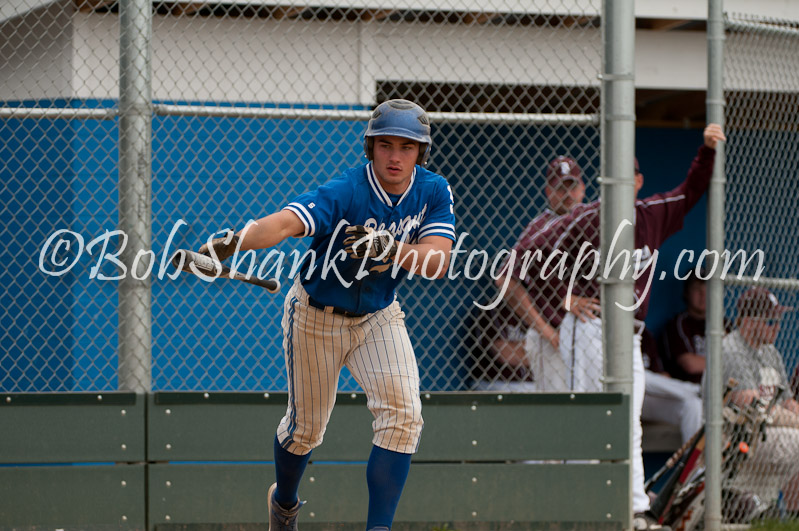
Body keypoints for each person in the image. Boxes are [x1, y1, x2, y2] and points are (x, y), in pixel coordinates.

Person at [198, 99, 456, 531]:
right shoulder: (347, 189)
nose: (395, 156)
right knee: (305, 432)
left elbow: (437, 261)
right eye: (385, 145)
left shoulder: (432, 190)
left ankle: (379, 528)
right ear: (370, 147)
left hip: (379, 315)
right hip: (317, 316)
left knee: (404, 417)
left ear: (420, 153)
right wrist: (236, 240)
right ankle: (284, 504)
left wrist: (391, 249)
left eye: (407, 147)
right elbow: (285, 223)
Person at [520, 123, 726, 530]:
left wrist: (706, 152)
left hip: (629, 333)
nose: (622, 185)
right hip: (592, 329)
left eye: (628, 178)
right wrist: (564, 297)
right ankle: (582, 504)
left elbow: (692, 189)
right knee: (588, 416)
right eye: (613, 179)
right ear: (605, 184)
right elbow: (528, 255)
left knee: (628, 418)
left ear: (637, 181)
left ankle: (631, 510)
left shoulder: (652, 213)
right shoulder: (587, 216)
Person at [498, 156, 586, 391]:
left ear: (583, 188)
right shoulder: (541, 228)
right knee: (559, 417)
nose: (568, 194)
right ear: (549, 191)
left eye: (573, 186)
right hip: (555, 337)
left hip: (590, 336)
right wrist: (545, 330)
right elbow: (504, 278)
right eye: (560, 188)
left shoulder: (594, 221)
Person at [720, 287, 799, 510]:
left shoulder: (770, 352)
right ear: (750, 321)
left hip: (766, 433)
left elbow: (787, 401)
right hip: (735, 437)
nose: (778, 328)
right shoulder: (732, 350)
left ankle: (792, 520)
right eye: (771, 322)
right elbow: (756, 408)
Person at [640, 326, 703, 445]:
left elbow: (661, 375)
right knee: (639, 375)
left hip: (649, 396)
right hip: (626, 399)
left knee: (693, 404)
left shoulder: (643, 333)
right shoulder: (604, 332)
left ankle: (694, 462)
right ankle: (697, 390)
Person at [467, 298, 534, 392]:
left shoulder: (543, 311)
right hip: (499, 383)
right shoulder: (491, 309)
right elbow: (507, 355)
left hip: (535, 383)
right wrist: (539, 350)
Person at [662, 270, 710, 383]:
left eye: (707, 289)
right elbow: (690, 365)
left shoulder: (724, 324)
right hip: (688, 388)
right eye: (697, 289)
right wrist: (725, 363)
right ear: (686, 292)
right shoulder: (678, 324)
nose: (703, 295)